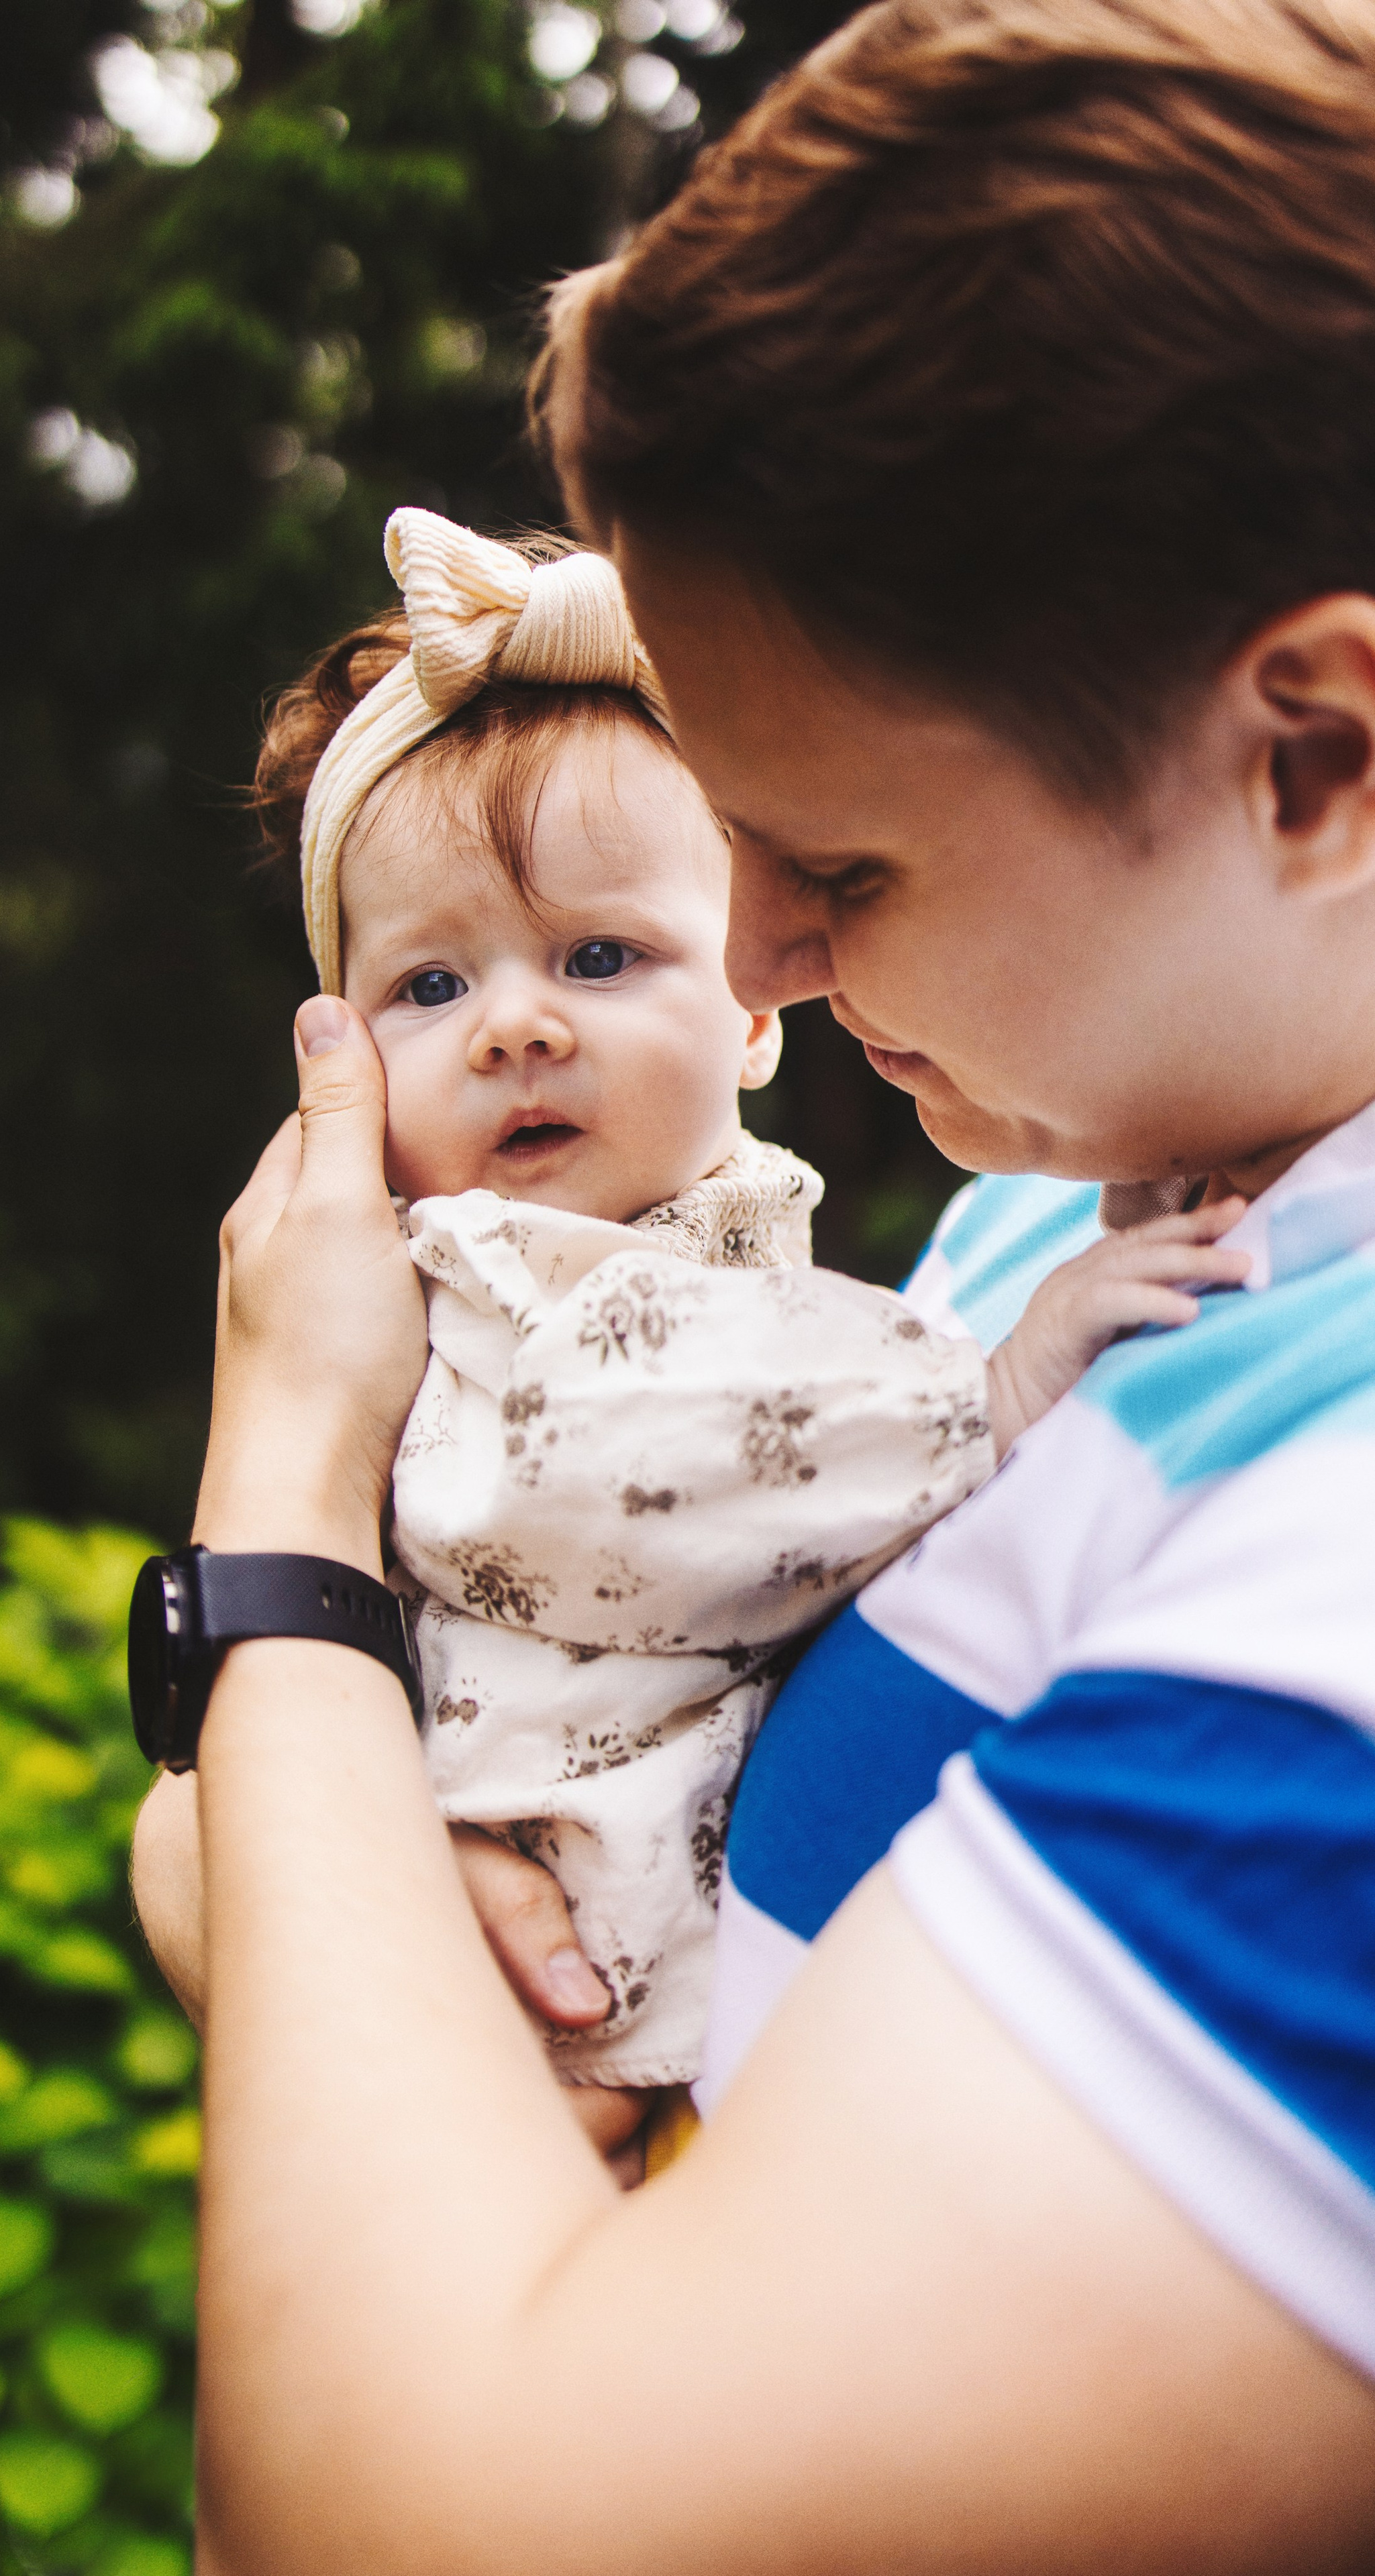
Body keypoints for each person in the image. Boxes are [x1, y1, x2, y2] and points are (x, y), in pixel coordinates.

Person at [133, 1, 1375, 2565]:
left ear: (1321, 750)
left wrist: (277, 1525)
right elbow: (282, 1841)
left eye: (850, 861)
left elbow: (446, 2527)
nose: (770, 968)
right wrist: (264, 1829)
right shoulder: (1081, 1218)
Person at [249, 499, 1243, 2106]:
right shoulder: (486, 1290)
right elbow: (628, 1457)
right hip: (572, 2001)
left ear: (755, 1010)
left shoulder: (736, 1242)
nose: (511, 1026)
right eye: (429, 987)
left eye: (595, 955)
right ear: (342, 1065)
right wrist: (981, 1400)